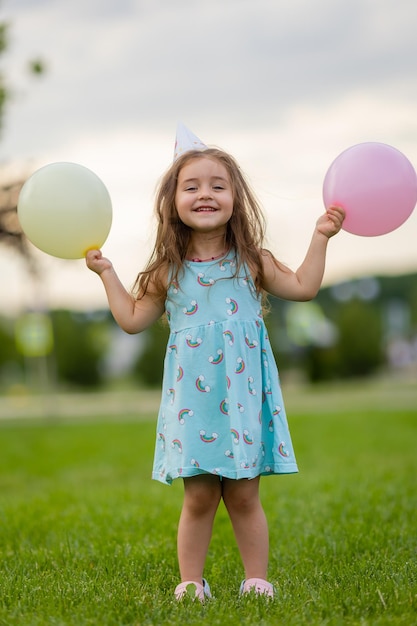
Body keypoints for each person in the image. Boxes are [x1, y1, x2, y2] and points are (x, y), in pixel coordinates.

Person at [85, 126, 345, 601]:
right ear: (173, 203)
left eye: (217, 185)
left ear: (235, 200)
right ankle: (191, 583)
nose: (205, 193)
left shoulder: (252, 262)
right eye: (192, 186)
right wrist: (108, 273)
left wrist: (320, 236)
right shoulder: (169, 271)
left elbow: (304, 286)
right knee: (199, 496)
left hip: (243, 402)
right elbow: (130, 319)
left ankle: (256, 580)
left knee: (245, 495)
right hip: (194, 407)